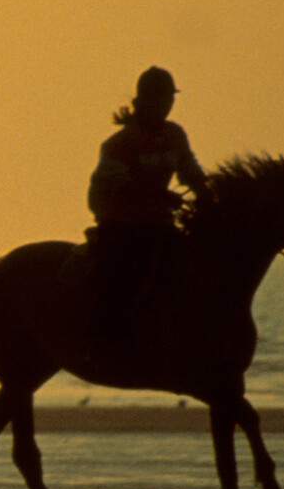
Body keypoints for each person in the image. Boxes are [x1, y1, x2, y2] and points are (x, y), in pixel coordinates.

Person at [86, 65, 209, 347]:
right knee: (125, 271)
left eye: (171, 100)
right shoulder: (119, 144)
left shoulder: (175, 135)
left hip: (158, 219)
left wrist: (209, 195)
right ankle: (105, 337)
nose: (168, 106)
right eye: (163, 100)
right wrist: (160, 197)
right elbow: (120, 187)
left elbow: (191, 171)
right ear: (146, 101)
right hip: (119, 219)